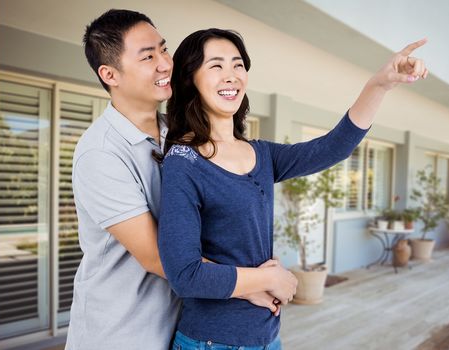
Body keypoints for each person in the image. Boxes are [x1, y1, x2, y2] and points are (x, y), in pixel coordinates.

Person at [158, 28, 428, 349]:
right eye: (216, 66)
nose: (231, 76)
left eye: (238, 65)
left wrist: (379, 85)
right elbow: (185, 274)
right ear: (191, 80)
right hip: (212, 341)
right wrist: (271, 278)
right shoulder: (184, 162)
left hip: (267, 338)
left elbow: (333, 148)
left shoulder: (262, 154)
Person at [67, 10, 295, 349]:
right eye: (148, 56)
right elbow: (162, 259)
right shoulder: (101, 154)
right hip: (121, 334)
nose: (164, 63)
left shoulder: (176, 137)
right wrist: (260, 282)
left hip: (180, 325)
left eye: (163, 49)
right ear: (110, 74)